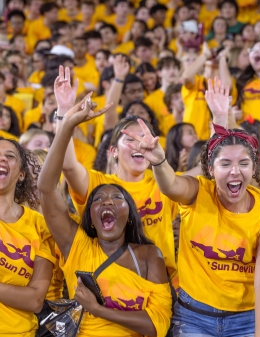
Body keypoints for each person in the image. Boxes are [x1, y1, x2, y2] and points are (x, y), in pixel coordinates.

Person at [123, 79, 260, 336]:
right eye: (225, 164)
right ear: (210, 169)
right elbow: (171, 185)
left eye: (243, 164)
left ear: (254, 169)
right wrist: (160, 161)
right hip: (193, 317)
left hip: (247, 319)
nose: (234, 171)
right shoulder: (198, 191)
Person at [37, 94, 172, 336]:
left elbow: (158, 326)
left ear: (131, 214)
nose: (107, 201)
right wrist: (67, 122)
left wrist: (97, 309)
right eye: (98, 199)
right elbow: (46, 187)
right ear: (88, 214)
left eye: (118, 199)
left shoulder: (151, 256)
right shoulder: (76, 245)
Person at [54, 66, 179, 290]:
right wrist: (64, 112)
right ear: (112, 151)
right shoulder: (98, 186)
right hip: (111, 288)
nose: (140, 144)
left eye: (145, 138)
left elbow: (208, 171)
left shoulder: (165, 181)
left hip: (163, 287)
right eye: (131, 139)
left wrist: (220, 116)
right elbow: (67, 165)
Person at [0, 137, 55, 336]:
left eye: (10, 156)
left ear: (22, 174)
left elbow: (35, 300)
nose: (2, 160)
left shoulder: (39, 226)